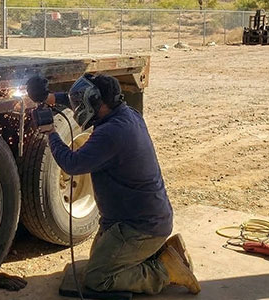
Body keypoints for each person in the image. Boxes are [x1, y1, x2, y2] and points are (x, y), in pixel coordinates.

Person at [25, 74, 201, 295]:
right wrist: (49, 98)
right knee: (98, 259)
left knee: (98, 278)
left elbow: (72, 163)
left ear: (98, 102)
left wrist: (50, 133)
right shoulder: (126, 115)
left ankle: (165, 271)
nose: (78, 106)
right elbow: (82, 100)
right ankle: (164, 252)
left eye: (83, 102)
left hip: (140, 227)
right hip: (138, 219)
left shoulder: (111, 133)